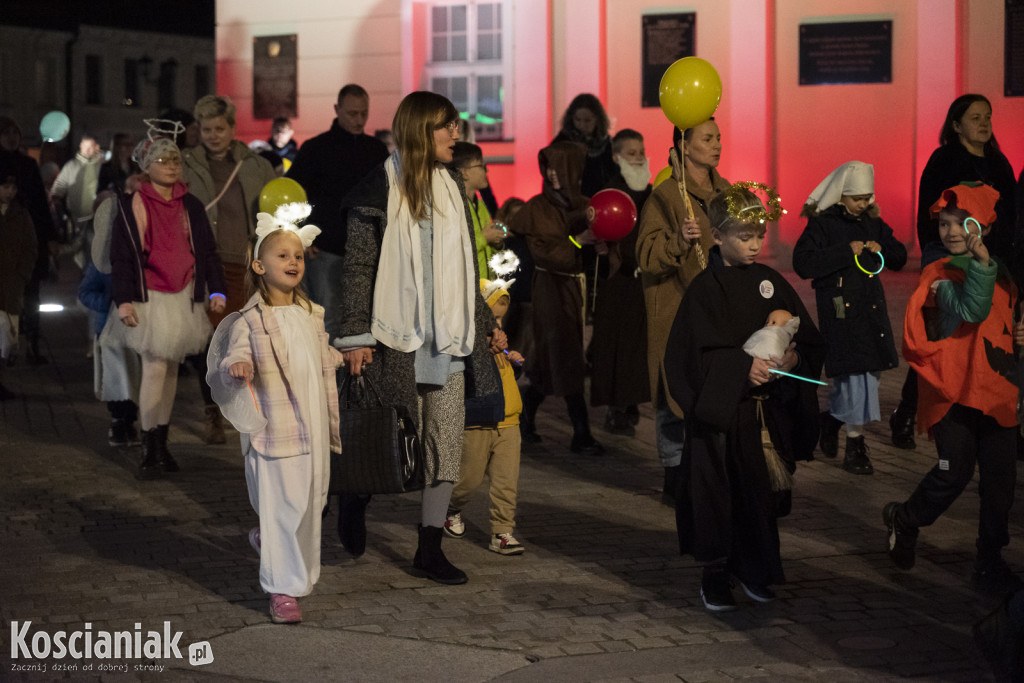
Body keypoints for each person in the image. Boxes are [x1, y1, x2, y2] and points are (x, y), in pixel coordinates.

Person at [336, 90, 504, 585]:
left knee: (443, 446)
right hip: (394, 338)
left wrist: (489, 327)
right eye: (447, 126)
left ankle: (428, 549)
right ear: (418, 131)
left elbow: (467, 267)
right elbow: (359, 269)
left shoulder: (453, 185)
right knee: (386, 439)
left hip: (448, 340)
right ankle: (355, 495)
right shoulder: (377, 189)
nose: (458, 134)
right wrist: (356, 337)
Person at [664, 183, 825, 611]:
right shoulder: (704, 289)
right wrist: (740, 369)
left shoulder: (771, 281)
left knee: (760, 495)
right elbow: (688, 355)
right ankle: (715, 574)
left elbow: (804, 336)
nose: (755, 245)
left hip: (763, 416)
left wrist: (791, 362)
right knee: (720, 494)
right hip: (723, 415)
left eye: (759, 235)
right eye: (744, 236)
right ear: (718, 236)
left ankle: (756, 568)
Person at [884, 183, 1022, 595]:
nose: (952, 231)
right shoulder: (938, 276)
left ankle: (989, 560)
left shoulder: (1004, 273)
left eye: (962, 222)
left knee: (1000, 483)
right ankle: (906, 518)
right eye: (944, 223)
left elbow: (1001, 325)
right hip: (953, 394)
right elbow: (972, 309)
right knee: (953, 472)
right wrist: (980, 263)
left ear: (985, 224)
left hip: (996, 392)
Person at [213, 212, 343, 625]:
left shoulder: (311, 313)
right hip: (277, 426)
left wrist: (348, 356)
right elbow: (236, 350)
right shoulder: (251, 319)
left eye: (299, 256)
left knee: (310, 501)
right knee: (283, 503)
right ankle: (281, 588)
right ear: (258, 265)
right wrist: (239, 365)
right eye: (283, 255)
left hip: (314, 425)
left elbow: (319, 356)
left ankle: (269, 541)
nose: (293, 262)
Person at [891, 94, 1018, 450]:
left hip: (990, 261)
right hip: (949, 258)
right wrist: (940, 256)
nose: (984, 122)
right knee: (944, 341)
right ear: (956, 125)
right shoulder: (944, 159)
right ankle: (909, 409)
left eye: (987, 116)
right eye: (975, 117)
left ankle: (989, 410)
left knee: (987, 341)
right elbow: (929, 215)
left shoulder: (999, 163)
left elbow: (1009, 218)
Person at [100, 130, 227, 479]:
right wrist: (123, 300)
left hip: (184, 295)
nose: (171, 166)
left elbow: (207, 252)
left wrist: (216, 290)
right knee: (155, 368)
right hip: (150, 296)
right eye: (162, 160)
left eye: (175, 160)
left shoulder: (192, 206)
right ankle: (149, 445)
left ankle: (161, 443)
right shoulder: (132, 205)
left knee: (170, 369)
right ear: (146, 165)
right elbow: (123, 257)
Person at [793, 161, 907, 475]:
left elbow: (898, 256)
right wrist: (846, 251)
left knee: (866, 375)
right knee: (853, 376)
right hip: (840, 311)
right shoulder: (823, 224)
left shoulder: (873, 222)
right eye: (858, 198)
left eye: (868, 197)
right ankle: (856, 444)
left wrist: (881, 247)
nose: (865, 203)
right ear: (842, 195)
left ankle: (831, 421)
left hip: (870, 309)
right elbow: (803, 263)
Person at [636, 119, 730, 499]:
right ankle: (674, 472)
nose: (717, 145)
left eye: (718, 137)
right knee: (673, 390)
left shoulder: (729, 193)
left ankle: (709, 468)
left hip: (718, 311)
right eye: (707, 139)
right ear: (684, 146)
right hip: (676, 309)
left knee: (712, 388)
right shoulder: (665, 196)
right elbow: (645, 255)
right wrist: (676, 241)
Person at [183, 94, 277, 444]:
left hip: (247, 263)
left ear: (232, 128)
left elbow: (273, 206)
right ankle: (213, 411)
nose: (213, 135)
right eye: (206, 129)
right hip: (207, 265)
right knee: (212, 342)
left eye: (219, 128)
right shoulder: (187, 163)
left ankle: (246, 406)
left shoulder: (255, 164)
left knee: (246, 340)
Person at [509, 140, 604, 456]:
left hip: (575, 291)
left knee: (552, 361)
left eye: (558, 167)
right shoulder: (536, 209)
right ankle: (581, 432)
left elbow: (600, 249)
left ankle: (526, 418)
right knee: (565, 356)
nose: (552, 174)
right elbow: (544, 252)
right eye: (547, 167)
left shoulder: (587, 205)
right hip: (550, 291)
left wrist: (603, 248)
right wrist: (578, 242)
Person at [286, 84, 390, 342]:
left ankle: (353, 380)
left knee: (365, 319)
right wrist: (300, 234)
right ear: (337, 110)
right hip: (326, 248)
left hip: (367, 250)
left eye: (363, 114)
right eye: (352, 113)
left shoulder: (375, 149)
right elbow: (291, 193)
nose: (358, 120)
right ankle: (330, 379)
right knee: (327, 320)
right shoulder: (315, 149)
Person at [445, 275, 526, 555]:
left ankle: (502, 532)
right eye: (494, 320)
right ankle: (449, 509)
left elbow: (506, 378)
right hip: (479, 419)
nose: (499, 328)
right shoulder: (466, 341)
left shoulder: (501, 340)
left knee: (506, 484)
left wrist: (512, 362)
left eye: (502, 322)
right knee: (467, 481)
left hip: (509, 420)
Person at [590, 128, 652, 435]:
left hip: (646, 281)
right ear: (616, 158)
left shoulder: (653, 192)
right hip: (619, 282)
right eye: (631, 153)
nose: (639, 158)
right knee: (616, 347)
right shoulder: (610, 193)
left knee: (638, 348)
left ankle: (633, 403)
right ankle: (616, 406)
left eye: (641, 152)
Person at [79, 193, 142, 446]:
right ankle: (118, 421)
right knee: (117, 376)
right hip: (108, 327)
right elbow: (85, 291)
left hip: (136, 325)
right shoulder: (102, 259)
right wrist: (106, 303)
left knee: (135, 375)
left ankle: (131, 420)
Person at [0, 117, 59, 365]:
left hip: (29, 232)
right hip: (6, 238)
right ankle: (7, 347)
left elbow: (40, 204)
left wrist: (50, 237)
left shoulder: (28, 164)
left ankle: (32, 344)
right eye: (6, 133)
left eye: (16, 132)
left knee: (33, 295)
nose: (12, 137)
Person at [0, 158, 39, 399]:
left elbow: (30, 247)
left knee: (9, 337)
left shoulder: (21, 214)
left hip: (11, 285)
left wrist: (22, 275)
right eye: (5, 187)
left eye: (13, 188)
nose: (10, 192)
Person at [448, 141, 505, 279]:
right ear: (465, 173)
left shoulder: (480, 205)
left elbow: (487, 252)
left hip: (485, 287)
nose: (486, 170)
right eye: (481, 166)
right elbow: (452, 250)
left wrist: (497, 243)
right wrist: (484, 237)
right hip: (464, 288)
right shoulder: (453, 205)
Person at [553, 94, 618, 198]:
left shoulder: (607, 144)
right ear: (571, 118)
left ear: (597, 119)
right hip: (570, 203)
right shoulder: (562, 143)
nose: (582, 125)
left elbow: (614, 177)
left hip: (600, 199)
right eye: (577, 120)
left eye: (587, 121)